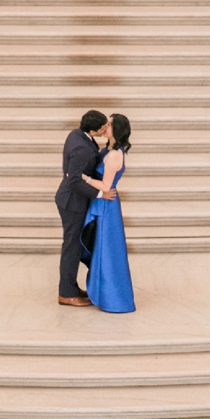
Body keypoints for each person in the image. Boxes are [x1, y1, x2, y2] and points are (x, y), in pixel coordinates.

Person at [54, 110, 114, 306]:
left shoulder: (77, 134)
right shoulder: (83, 149)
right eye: (103, 127)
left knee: (74, 245)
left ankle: (71, 286)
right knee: (72, 247)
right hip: (72, 203)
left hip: (73, 199)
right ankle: (66, 293)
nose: (106, 129)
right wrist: (100, 194)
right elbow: (74, 181)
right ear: (93, 129)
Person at [80, 114, 135, 312]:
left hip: (106, 205)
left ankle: (114, 299)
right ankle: (106, 294)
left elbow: (105, 185)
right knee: (103, 250)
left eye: (109, 124)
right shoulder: (109, 150)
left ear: (116, 130)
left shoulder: (114, 155)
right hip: (104, 203)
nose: (105, 126)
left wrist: (83, 178)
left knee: (107, 251)